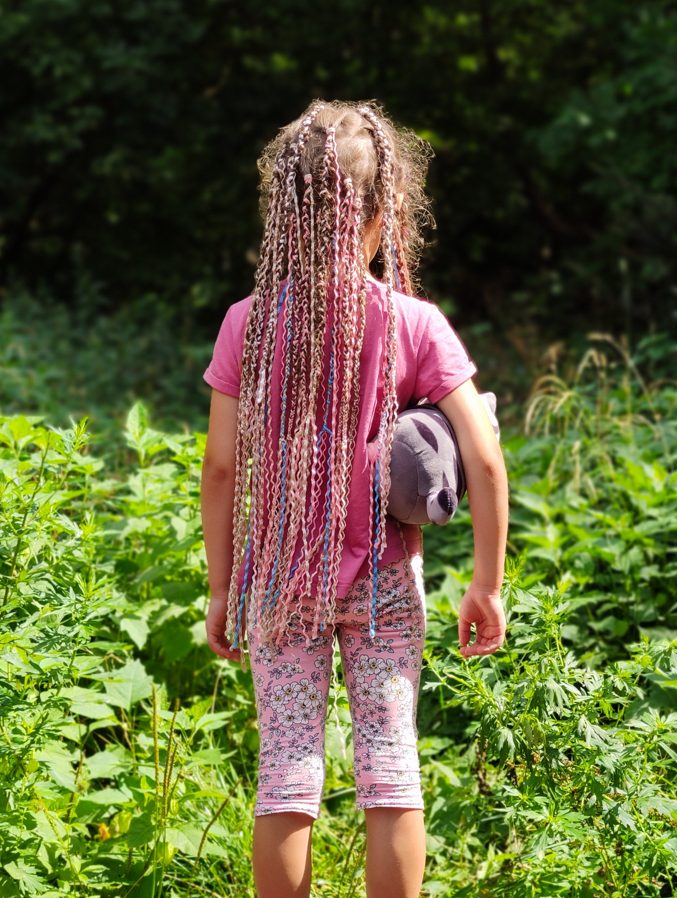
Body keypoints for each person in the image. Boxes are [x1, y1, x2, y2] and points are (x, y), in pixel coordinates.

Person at [199, 98, 508, 898]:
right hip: (385, 585)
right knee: (390, 761)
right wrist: (486, 584)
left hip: (277, 578)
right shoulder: (414, 321)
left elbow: (222, 469)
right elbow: (485, 456)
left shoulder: (249, 323)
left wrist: (222, 586)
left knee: (289, 769)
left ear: (288, 209)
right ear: (384, 211)